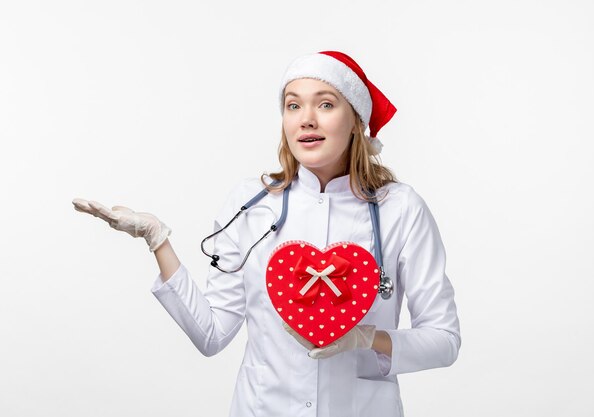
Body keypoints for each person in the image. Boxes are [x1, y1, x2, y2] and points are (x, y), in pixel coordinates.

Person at [72, 50, 461, 417]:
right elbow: (211, 334)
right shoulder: (251, 204)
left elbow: (444, 340)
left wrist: (367, 337)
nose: (306, 119)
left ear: (357, 121)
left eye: (325, 104)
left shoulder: (400, 208)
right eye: (293, 105)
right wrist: (157, 239)